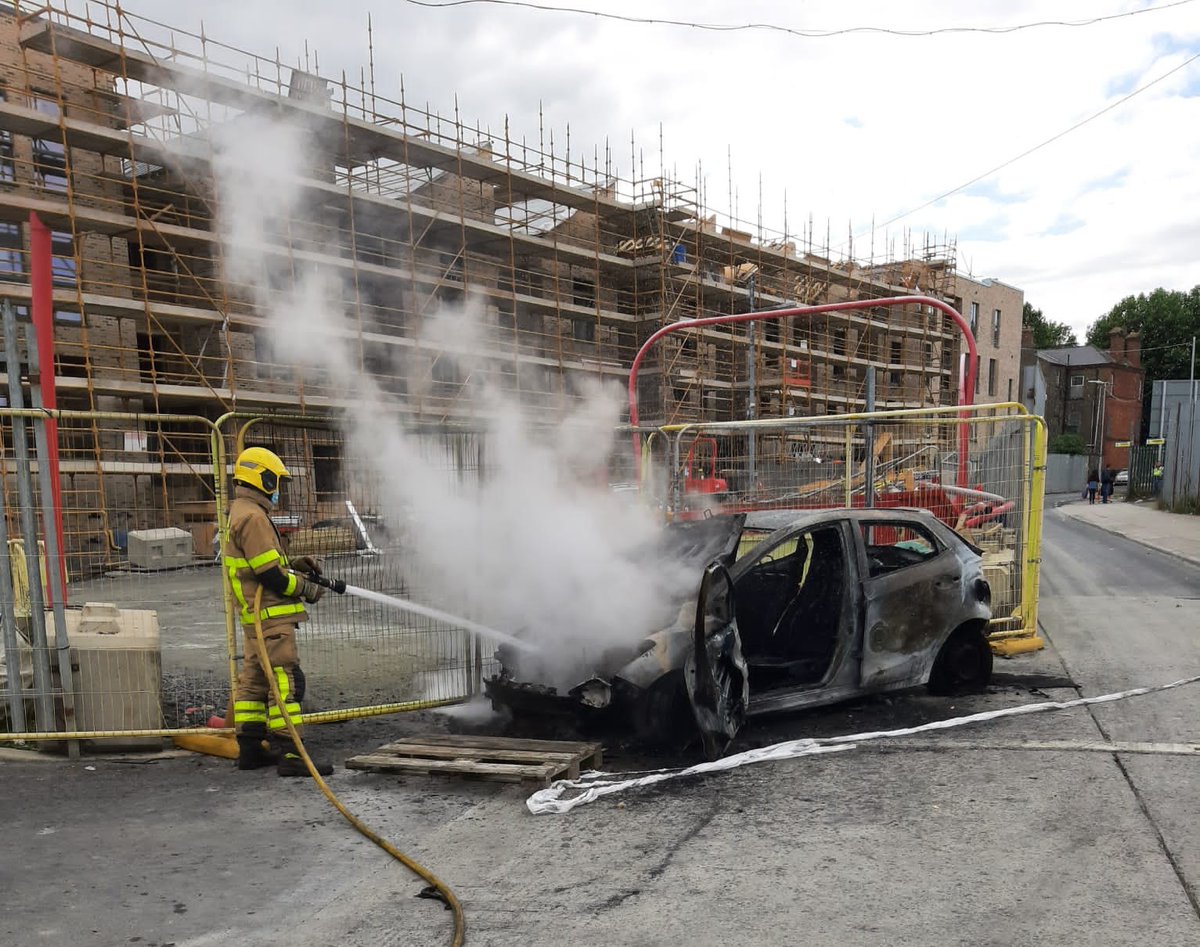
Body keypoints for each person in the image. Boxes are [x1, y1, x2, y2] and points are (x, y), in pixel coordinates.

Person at [223, 446, 332, 777]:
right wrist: (305, 588)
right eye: (276, 481)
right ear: (263, 478)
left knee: (254, 683)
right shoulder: (254, 517)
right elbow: (270, 575)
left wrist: (294, 563)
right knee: (286, 681)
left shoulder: (242, 510)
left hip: (255, 619)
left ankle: (251, 750)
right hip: (270, 616)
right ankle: (292, 753)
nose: (277, 488)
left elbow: (261, 563)